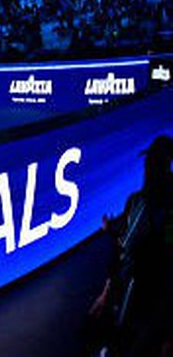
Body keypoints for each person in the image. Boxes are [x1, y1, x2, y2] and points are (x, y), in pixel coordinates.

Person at [90, 135, 173, 356]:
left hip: (140, 294)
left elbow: (126, 247)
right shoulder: (142, 202)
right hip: (147, 298)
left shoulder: (140, 202)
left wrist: (106, 293)